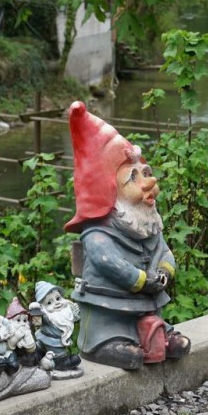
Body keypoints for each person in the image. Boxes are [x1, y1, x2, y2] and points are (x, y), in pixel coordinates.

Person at [65, 101, 191, 369]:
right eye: (133, 178)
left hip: (145, 304)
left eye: (145, 173)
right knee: (115, 337)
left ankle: (157, 334)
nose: (150, 182)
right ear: (108, 192)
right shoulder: (98, 234)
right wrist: (141, 280)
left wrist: (165, 272)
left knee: (157, 329)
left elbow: (165, 252)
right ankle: (106, 344)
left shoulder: (146, 226)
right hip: (107, 307)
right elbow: (106, 261)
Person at [30, 280, 82, 373]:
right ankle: (59, 362)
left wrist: (75, 311)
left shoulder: (66, 311)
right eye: (49, 302)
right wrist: (35, 308)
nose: (57, 303)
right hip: (51, 341)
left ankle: (42, 355)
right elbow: (36, 323)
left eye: (58, 298)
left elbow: (75, 318)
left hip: (59, 341)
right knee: (62, 356)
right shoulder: (46, 316)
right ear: (42, 307)